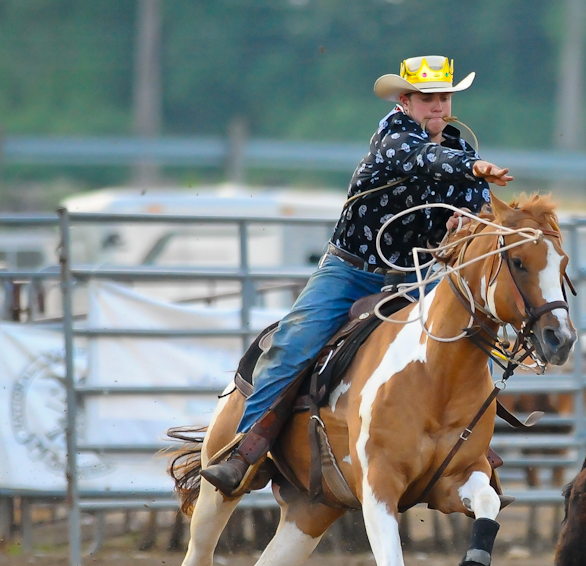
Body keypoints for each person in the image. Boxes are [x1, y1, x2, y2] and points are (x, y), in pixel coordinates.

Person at [201, 55, 512, 495]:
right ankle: (246, 450)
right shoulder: (393, 138)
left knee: (463, 338)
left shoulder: (460, 153)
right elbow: (421, 158)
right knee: (294, 343)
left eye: (443, 97)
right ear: (405, 101)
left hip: (417, 276)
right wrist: (474, 168)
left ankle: (465, 448)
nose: (438, 106)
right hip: (351, 271)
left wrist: (463, 222)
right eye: (427, 98)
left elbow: (476, 209)